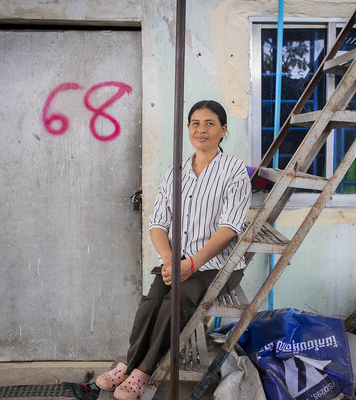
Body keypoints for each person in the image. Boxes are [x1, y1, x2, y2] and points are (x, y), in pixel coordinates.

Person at [95, 100, 252, 399]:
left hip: (219, 264)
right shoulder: (175, 171)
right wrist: (169, 260)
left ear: (223, 130)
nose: (201, 130)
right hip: (177, 260)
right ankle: (127, 364)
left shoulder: (233, 171)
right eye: (195, 123)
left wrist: (192, 264)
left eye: (209, 123)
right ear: (188, 128)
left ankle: (143, 370)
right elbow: (157, 223)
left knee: (174, 302)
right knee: (151, 301)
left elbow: (230, 227)